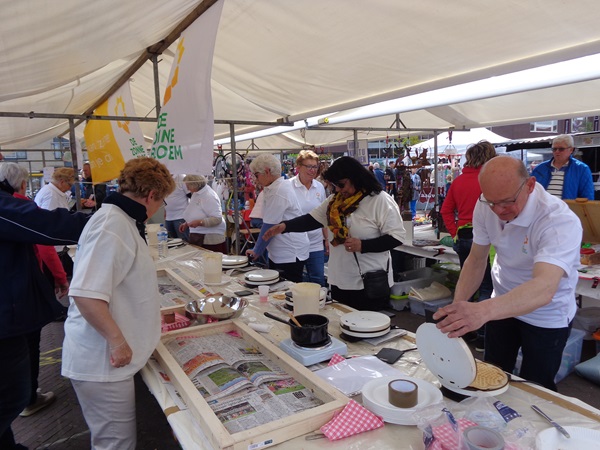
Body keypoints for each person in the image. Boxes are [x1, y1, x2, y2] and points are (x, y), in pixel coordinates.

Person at [433, 156, 582, 391]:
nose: (498, 210)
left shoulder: (557, 221)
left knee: (536, 387)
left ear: (530, 185)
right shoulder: (486, 205)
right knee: (491, 373)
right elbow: (476, 259)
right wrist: (457, 309)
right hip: (501, 302)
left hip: (546, 315)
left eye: (506, 202)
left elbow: (544, 287)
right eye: (491, 202)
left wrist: (482, 311)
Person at [61, 157, 175, 450]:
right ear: (151, 195)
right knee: (116, 443)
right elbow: (86, 294)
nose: (159, 208)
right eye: (161, 200)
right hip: (102, 363)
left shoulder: (120, 219)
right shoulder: (112, 225)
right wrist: (117, 341)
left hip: (107, 362)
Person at [0, 162, 89, 450]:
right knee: (13, 393)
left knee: (12, 391)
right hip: (6, 318)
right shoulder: (7, 206)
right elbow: (46, 227)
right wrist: (109, 218)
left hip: (11, 311)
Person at [264, 156, 405, 311]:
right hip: (340, 280)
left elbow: (396, 237)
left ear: (355, 178)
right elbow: (312, 220)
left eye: (341, 184)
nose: (338, 189)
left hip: (370, 282)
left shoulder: (379, 200)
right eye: (334, 185)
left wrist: (363, 245)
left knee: (369, 328)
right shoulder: (334, 202)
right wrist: (284, 226)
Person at [9, 165, 69, 417]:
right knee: (28, 343)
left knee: (21, 347)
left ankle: (24, 395)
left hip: (15, 292)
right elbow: (44, 242)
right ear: (22, 185)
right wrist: (59, 277)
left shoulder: (20, 203)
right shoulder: (19, 207)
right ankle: (28, 397)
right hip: (20, 292)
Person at [440, 141, 496, 351]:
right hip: (486, 239)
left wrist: (454, 232)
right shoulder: (490, 181)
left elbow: (446, 210)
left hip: (463, 237)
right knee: (486, 287)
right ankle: (483, 335)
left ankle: (464, 329)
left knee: (466, 285)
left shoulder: (459, 180)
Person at [246, 154, 309, 282]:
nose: (255, 179)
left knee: (286, 289)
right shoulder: (275, 187)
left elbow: (269, 226)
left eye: (256, 175)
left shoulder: (279, 190)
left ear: (267, 172)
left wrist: (257, 251)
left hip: (289, 253)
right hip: (284, 251)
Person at [290, 150, 328, 286]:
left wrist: (327, 239)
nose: (312, 170)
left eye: (315, 167)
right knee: (296, 281)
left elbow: (323, 215)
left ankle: (320, 305)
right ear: (298, 167)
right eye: (309, 166)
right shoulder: (288, 187)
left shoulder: (320, 187)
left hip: (316, 243)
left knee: (318, 278)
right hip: (294, 244)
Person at [531, 134, 594, 200]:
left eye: (561, 149)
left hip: (567, 209)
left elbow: (587, 199)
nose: (557, 152)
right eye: (554, 149)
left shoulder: (582, 169)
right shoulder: (539, 169)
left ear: (571, 150)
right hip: (542, 209)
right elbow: (531, 192)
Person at [179, 174, 227, 252]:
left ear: (195, 184)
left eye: (188, 185)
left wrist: (199, 222)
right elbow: (196, 211)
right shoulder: (196, 193)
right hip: (199, 235)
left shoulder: (209, 196)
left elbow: (217, 219)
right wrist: (187, 224)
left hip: (209, 238)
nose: (186, 187)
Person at [164, 174, 190, 240]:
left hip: (181, 216)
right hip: (168, 217)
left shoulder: (181, 177)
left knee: (184, 242)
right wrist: (165, 210)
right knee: (171, 242)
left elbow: (191, 195)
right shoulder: (164, 179)